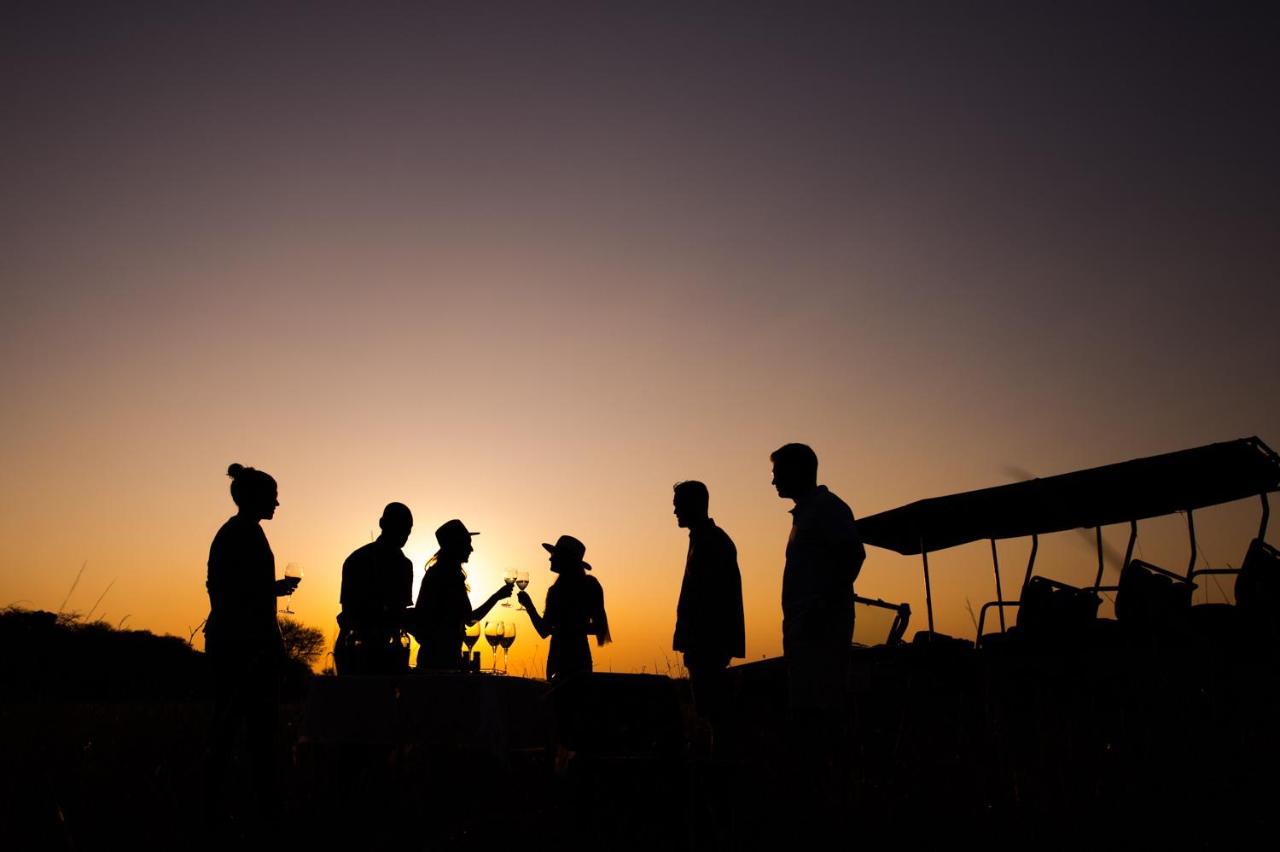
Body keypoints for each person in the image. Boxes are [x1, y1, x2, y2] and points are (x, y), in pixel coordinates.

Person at [771, 442, 864, 839]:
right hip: (805, 632)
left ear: (799, 471)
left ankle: (832, 806)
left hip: (819, 636)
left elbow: (852, 556)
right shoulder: (807, 514)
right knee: (808, 714)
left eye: (778, 471)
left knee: (822, 715)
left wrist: (820, 609)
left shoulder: (826, 510)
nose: (773, 479)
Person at [203, 462, 299, 829]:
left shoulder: (242, 532)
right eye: (272, 496)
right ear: (255, 498)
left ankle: (244, 808)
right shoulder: (239, 533)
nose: (277, 503)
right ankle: (241, 813)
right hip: (240, 645)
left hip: (239, 642)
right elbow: (226, 590)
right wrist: (269, 591)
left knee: (246, 730)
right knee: (243, 730)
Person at [671, 480, 744, 746]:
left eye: (678, 505)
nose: (675, 512)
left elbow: (712, 599)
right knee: (710, 711)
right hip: (703, 642)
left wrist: (698, 640)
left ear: (693, 505)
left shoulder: (712, 542)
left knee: (715, 712)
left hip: (707, 643)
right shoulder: (704, 539)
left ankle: (721, 766)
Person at [410, 519, 511, 670]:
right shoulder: (449, 575)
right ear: (456, 546)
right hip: (442, 660)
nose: (471, 548)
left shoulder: (437, 572)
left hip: (433, 657)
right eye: (467, 543)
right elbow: (469, 618)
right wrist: (496, 597)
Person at [335, 502, 415, 675]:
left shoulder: (404, 565)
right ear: (382, 524)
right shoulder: (358, 560)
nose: (405, 534)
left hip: (389, 650)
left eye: (408, 529)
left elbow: (399, 611)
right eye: (401, 527)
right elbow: (352, 612)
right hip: (358, 651)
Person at [518, 534, 611, 679]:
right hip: (581, 658)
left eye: (554, 555)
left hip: (558, 658)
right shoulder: (589, 586)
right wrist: (577, 628)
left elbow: (544, 631)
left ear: (564, 559)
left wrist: (529, 606)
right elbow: (600, 628)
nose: (550, 558)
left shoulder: (556, 591)